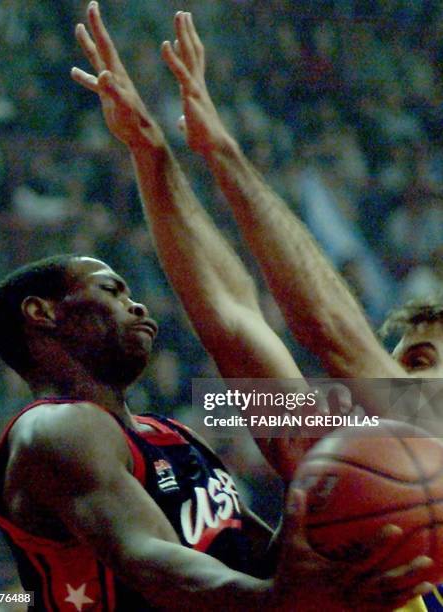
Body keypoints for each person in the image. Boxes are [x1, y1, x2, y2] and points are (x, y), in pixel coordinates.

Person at [0, 3, 435, 610]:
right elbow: (235, 322)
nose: (375, 375)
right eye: (115, 292)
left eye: (400, 360)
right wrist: (164, 154)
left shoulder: (407, 436)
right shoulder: (70, 432)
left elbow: (324, 330)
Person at [160, 12, 443, 611]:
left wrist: (228, 157)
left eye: (423, 359)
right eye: (401, 361)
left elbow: (336, 335)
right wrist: (153, 156)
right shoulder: (355, 466)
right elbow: (232, 323)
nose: (396, 383)